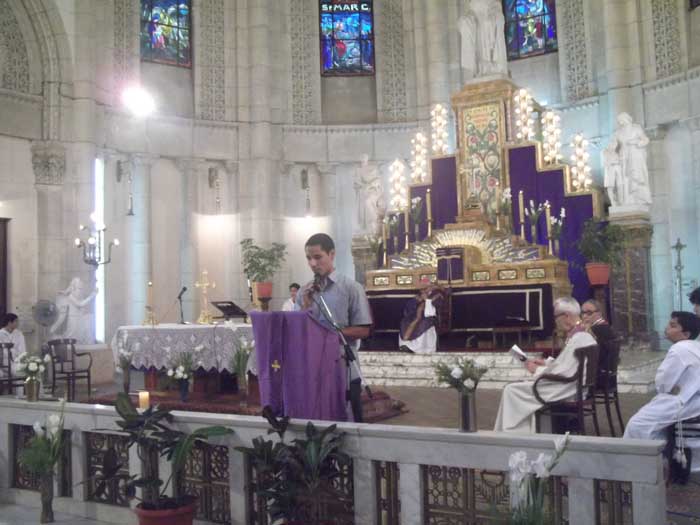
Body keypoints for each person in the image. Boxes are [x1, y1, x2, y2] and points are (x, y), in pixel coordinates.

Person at [296, 233, 373, 422]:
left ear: (332, 254)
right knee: (316, 417)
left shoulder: (351, 288)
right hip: (313, 366)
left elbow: (363, 330)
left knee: (347, 418)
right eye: (308, 258)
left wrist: (327, 335)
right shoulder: (304, 292)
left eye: (318, 257)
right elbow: (298, 331)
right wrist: (305, 306)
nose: (313, 264)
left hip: (343, 365)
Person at [493, 297, 597, 433]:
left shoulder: (579, 338)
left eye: (556, 317)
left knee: (511, 390)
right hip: (572, 386)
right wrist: (546, 363)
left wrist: (537, 370)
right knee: (518, 387)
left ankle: (514, 434)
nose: (555, 321)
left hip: (567, 389)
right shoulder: (581, 335)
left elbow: (564, 372)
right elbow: (569, 365)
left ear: (566, 316)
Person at [624, 312, 700, 441]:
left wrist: (670, 390)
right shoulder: (695, 345)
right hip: (693, 398)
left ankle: (647, 452)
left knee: (637, 424)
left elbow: (663, 384)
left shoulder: (679, 349)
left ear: (686, 334)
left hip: (687, 401)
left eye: (673, 326)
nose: (667, 328)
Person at [398, 281, 445, 354]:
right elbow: (409, 307)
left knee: (422, 323)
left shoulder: (437, 295)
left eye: (428, 287)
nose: (424, 289)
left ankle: (417, 348)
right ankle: (405, 345)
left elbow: (434, 310)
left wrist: (427, 300)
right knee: (405, 321)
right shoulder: (420, 294)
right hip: (415, 314)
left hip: (429, 315)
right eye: (423, 288)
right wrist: (417, 300)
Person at [50, 277, 97, 344]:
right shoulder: (70, 296)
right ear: (74, 287)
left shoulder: (80, 296)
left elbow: (82, 306)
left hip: (79, 317)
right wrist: (91, 296)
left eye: (81, 288)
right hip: (73, 317)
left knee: (79, 335)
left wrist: (92, 295)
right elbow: (80, 304)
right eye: (79, 288)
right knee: (71, 335)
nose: (80, 290)